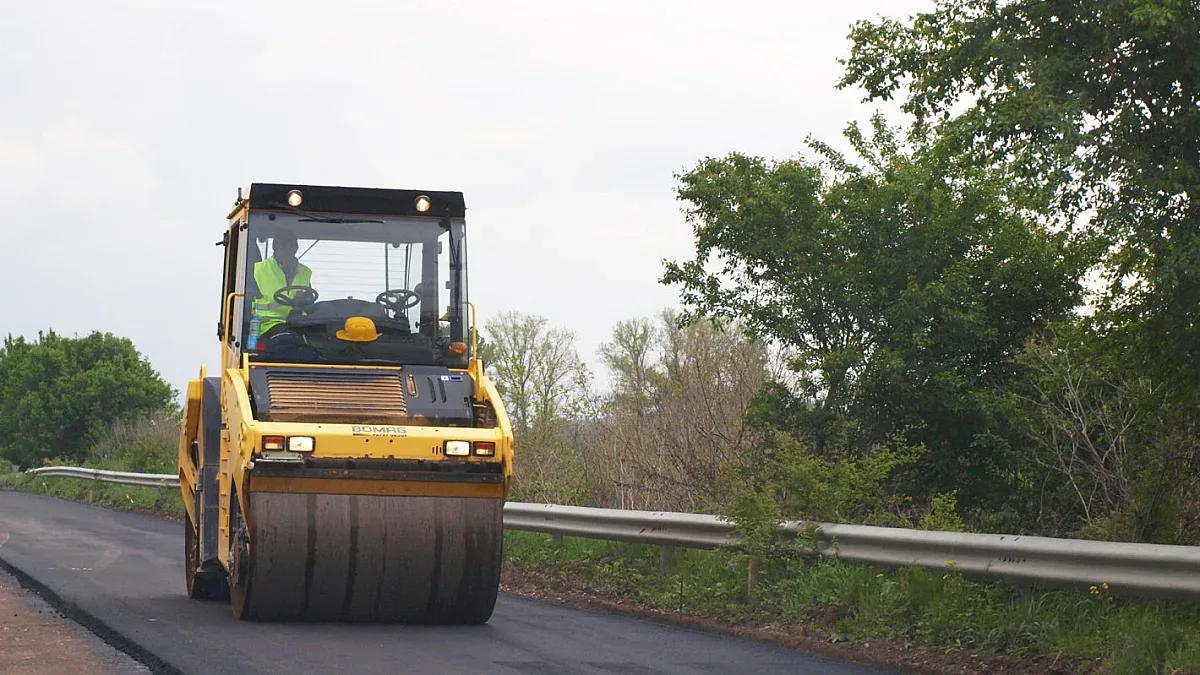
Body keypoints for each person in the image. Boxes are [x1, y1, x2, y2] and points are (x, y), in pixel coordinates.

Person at [251, 232, 314, 338]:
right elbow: (247, 301)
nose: (287, 250)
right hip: (267, 326)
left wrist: (304, 298)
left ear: (296, 248)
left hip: (299, 324)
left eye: (291, 246)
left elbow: (310, 302)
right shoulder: (258, 270)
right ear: (275, 247)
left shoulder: (305, 272)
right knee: (286, 339)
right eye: (283, 246)